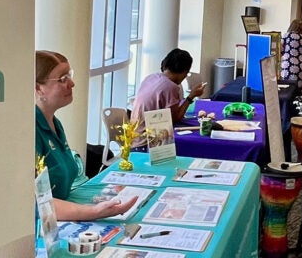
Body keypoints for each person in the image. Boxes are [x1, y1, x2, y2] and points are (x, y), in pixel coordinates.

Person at [35, 50, 138, 221]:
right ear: (39, 88)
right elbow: (37, 203)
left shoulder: (55, 123)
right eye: (62, 79)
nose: (72, 83)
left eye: (69, 75)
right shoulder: (31, 131)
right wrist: (94, 212)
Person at [131, 48, 205, 151]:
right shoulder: (170, 87)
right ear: (184, 71)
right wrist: (191, 97)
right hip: (146, 144)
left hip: (133, 138)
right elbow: (175, 118)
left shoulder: (151, 77)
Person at [280, 19, 302, 96]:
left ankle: (287, 106)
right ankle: (299, 106)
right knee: (299, 92)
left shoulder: (286, 35)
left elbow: (280, 50)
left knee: (287, 91)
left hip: (288, 66)